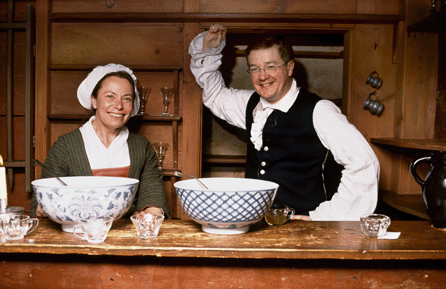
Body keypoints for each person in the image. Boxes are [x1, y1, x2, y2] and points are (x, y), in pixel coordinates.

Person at [189, 24, 380, 221]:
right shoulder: (249, 103)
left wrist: (324, 216)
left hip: (303, 228)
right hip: (255, 224)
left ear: (289, 67)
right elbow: (215, 95)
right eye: (255, 68)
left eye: (271, 66)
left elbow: (364, 163)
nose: (263, 76)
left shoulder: (319, 110)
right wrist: (208, 50)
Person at [31, 63, 170, 218]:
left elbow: (152, 193)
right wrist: (45, 207)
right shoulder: (65, 147)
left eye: (127, 98)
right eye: (110, 96)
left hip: (127, 234)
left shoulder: (141, 147)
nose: (119, 106)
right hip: (79, 235)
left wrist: (151, 213)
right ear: (94, 101)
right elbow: (39, 204)